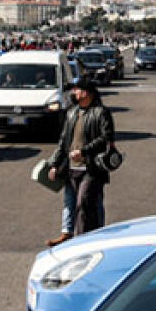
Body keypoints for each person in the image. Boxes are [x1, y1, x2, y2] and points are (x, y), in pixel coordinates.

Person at [46, 78, 115, 245]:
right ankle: (70, 234)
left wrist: (84, 151)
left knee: (84, 202)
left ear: (86, 93)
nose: (73, 93)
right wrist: (54, 163)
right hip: (71, 168)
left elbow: (106, 138)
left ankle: (84, 240)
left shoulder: (101, 112)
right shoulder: (72, 112)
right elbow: (64, 141)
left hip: (92, 168)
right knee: (72, 202)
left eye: (76, 89)